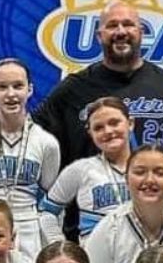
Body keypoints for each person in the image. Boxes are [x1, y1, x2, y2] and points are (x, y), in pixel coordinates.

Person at [34, 0, 163, 188]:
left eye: (128, 24)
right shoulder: (73, 89)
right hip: (93, 209)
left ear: (141, 32)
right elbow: (30, 132)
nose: (121, 32)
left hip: (158, 206)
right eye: (112, 26)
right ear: (99, 36)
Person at [0, 58, 61, 262]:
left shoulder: (47, 143)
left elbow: (49, 206)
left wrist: (53, 247)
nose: (11, 94)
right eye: (2, 87)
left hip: (30, 235)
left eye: (18, 86)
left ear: (30, 89)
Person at [39, 96, 135, 240]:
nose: (108, 131)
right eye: (98, 128)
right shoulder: (80, 170)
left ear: (130, 123)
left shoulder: (152, 167)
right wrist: (58, 246)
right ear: (90, 133)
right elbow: (47, 212)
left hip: (145, 259)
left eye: (114, 123)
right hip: (96, 259)